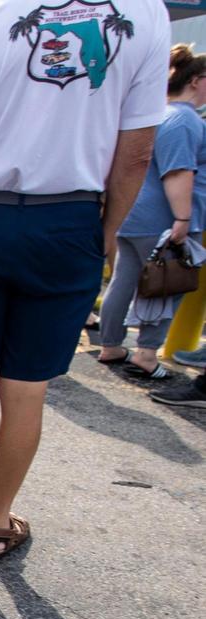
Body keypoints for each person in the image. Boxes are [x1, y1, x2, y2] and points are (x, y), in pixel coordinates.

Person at [0, 0, 170, 561]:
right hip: (70, 219)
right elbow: (136, 153)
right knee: (27, 389)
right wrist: (106, 234)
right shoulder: (145, 14)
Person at [97, 44, 206, 379]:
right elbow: (178, 172)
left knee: (123, 281)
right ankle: (146, 354)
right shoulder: (185, 121)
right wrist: (183, 219)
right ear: (197, 81)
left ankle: (111, 344)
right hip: (164, 217)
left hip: (133, 211)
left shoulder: (154, 114)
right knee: (167, 284)